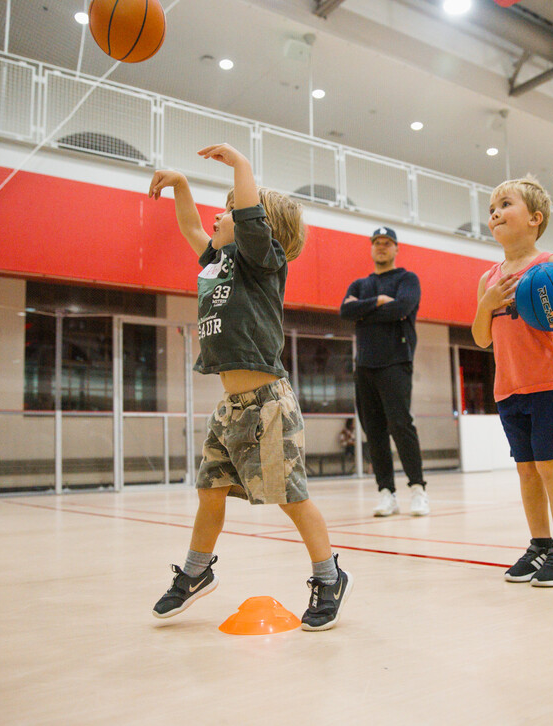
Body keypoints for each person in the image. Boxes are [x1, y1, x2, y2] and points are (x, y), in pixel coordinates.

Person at [146, 143, 352, 630]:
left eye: (230, 208)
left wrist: (241, 165)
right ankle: (196, 573)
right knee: (210, 493)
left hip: (267, 406)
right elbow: (190, 227)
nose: (221, 214)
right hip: (230, 408)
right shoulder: (220, 262)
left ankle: (329, 577)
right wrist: (181, 185)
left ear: (255, 223)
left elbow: (250, 215)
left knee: (291, 497)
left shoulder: (262, 261)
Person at [471, 177, 553, 586]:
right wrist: (488, 305)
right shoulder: (488, 278)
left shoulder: (552, 266)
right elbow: (480, 338)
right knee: (526, 472)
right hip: (507, 387)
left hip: (547, 382)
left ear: (534, 218)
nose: (494, 212)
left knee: (550, 468)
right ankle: (540, 543)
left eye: (505, 204)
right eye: (491, 207)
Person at [339, 226, 429, 517]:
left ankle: (418, 490)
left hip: (396, 362)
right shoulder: (360, 284)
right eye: (376, 242)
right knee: (373, 432)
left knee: (401, 426)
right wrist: (377, 302)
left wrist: (362, 311)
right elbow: (345, 311)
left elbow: (402, 308)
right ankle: (386, 493)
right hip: (364, 365)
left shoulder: (407, 279)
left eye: (387, 243)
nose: (381, 247)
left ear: (396, 248)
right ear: (371, 248)